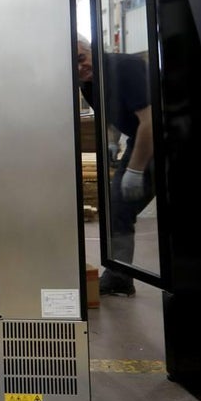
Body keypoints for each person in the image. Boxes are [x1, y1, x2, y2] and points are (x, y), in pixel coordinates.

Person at [76, 35, 153, 296]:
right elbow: (109, 117)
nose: (80, 67)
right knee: (117, 207)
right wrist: (111, 142)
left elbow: (150, 122)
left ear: (93, 50)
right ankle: (120, 276)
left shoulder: (126, 68)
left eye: (81, 58)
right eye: (72, 65)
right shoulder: (87, 84)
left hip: (171, 137)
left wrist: (135, 170)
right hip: (139, 138)